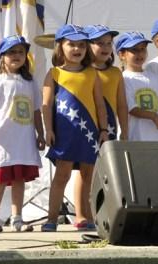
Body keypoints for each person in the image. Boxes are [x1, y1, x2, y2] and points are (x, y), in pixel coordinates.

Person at [41, 24, 108, 233]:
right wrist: (48, 129)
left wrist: (104, 130)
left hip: (88, 133)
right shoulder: (54, 74)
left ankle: (88, 217)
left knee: (89, 175)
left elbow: (99, 105)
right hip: (65, 133)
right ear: (60, 46)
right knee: (62, 175)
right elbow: (46, 105)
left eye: (81, 44)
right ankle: (52, 218)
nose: (77, 49)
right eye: (72, 44)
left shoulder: (92, 74)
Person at [0, 35, 44, 232]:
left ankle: (17, 218)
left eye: (20, 52)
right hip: (4, 140)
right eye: (11, 52)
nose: (16, 56)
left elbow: (36, 110)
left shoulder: (30, 82)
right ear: (2, 56)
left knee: (19, 179)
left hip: (24, 139)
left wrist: (40, 134)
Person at [118, 31, 158, 142]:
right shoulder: (123, 79)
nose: (140, 54)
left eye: (143, 49)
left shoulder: (155, 77)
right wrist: (154, 116)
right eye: (134, 50)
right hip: (137, 138)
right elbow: (131, 108)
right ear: (122, 55)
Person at [86, 24, 128, 142]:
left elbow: (122, 105)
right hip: (84, 128)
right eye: (100, 43)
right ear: (87, 46)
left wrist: (124, 132)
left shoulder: (116, 73)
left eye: (109, 43)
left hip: (109, 130)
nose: (106, 47)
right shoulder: (81, 72)